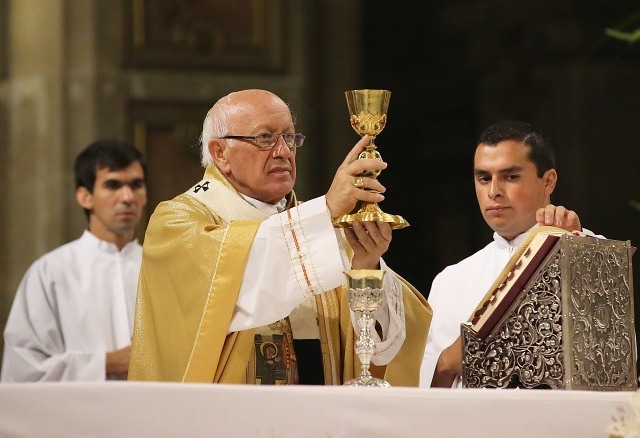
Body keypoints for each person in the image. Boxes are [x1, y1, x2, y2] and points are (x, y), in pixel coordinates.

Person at [128, 89, 432, 385]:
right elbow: (235, 286)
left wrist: (365, 267)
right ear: (220, 153)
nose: (284, 151)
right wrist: (325, 209)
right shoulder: (178, 222)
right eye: (265, 138)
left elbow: (389, 338)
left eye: (289, 137)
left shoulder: (317, 230)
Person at [420, 120, 600, 388]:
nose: (494, 191)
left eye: (511, 177)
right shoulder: (450, 280)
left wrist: (575, 251)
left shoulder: (593, 252)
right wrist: (447, 361)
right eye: (484, 178)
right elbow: (422, 393)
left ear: (548, 181)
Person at [1, 140, 147, 381]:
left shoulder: (163, 269)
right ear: (85, 196)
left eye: (136, 185)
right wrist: (106, 364)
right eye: (113, 185)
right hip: (75, 414)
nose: (127, 197)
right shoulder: (51, 272)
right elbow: (24, 370)